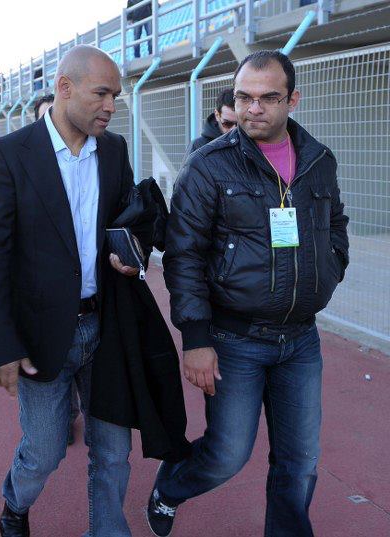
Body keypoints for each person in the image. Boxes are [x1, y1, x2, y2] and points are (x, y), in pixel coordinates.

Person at [147, 50, 349, 537]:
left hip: (301, 339)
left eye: (267, 98)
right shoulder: (208, 167)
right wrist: (195, 338)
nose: (252, 108)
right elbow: (184, 255)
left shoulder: (319, 160)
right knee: (226, 456)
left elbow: (336, 226)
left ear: (292, 100)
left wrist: (331, 268)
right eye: (244, 97)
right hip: (234, 340)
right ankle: (172, 486)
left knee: (299, 463)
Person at [0, 45, 141, 537]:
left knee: (113, 450)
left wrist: (134, 252)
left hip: (106, 325)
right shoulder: (8, 153)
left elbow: (129, 220)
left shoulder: (113, 151)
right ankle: (15, 504)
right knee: (45, 449)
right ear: (64, 88)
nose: (111, 105)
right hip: (42, 333)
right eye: (102, 93)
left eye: (116, 95)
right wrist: (1, 344)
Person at [34, 93, 82, 447]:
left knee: (110, 447)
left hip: (93, 310)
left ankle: (72, 412)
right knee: (44, 449)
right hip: (46, 314)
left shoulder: (102, 154)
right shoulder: (18, 161)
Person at [184, 88, 237, 162]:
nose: (234, 129)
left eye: (239, 125)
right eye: (228, 124)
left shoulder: (250, 143)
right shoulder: (198, 146)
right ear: (217, 115)